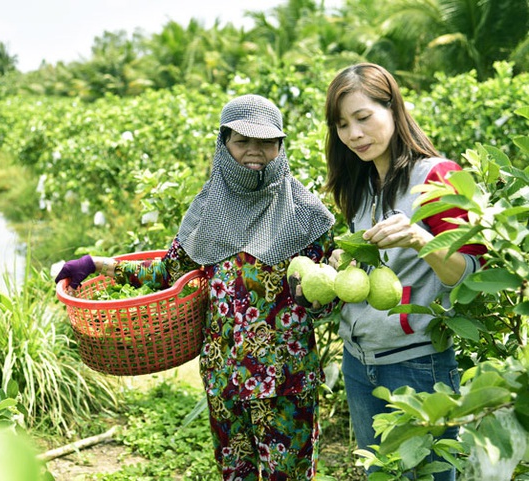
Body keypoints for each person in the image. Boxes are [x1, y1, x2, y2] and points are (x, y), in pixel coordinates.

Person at [55, 94, 336, 480]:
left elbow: (329, 296)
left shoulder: (305, 213)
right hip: (224, 378)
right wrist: (97, 264)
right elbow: (167, 273)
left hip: (286, 379)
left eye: (266, 142)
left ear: (280, 146)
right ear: (223, 146)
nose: (254, 153)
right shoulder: (209, 209)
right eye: (241, 142)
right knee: (234, 473)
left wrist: (317, 297)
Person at [322, 63, 487, 480]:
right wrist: (348, 263)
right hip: (359, 362)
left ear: (393, 109)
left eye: (364, 117)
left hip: (417, 366)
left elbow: (469, 276)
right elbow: (379, 269)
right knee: (381, 474)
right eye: (342, 124)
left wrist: (419, 239)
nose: (354, 134)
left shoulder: (437, 177)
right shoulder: (362, 187)